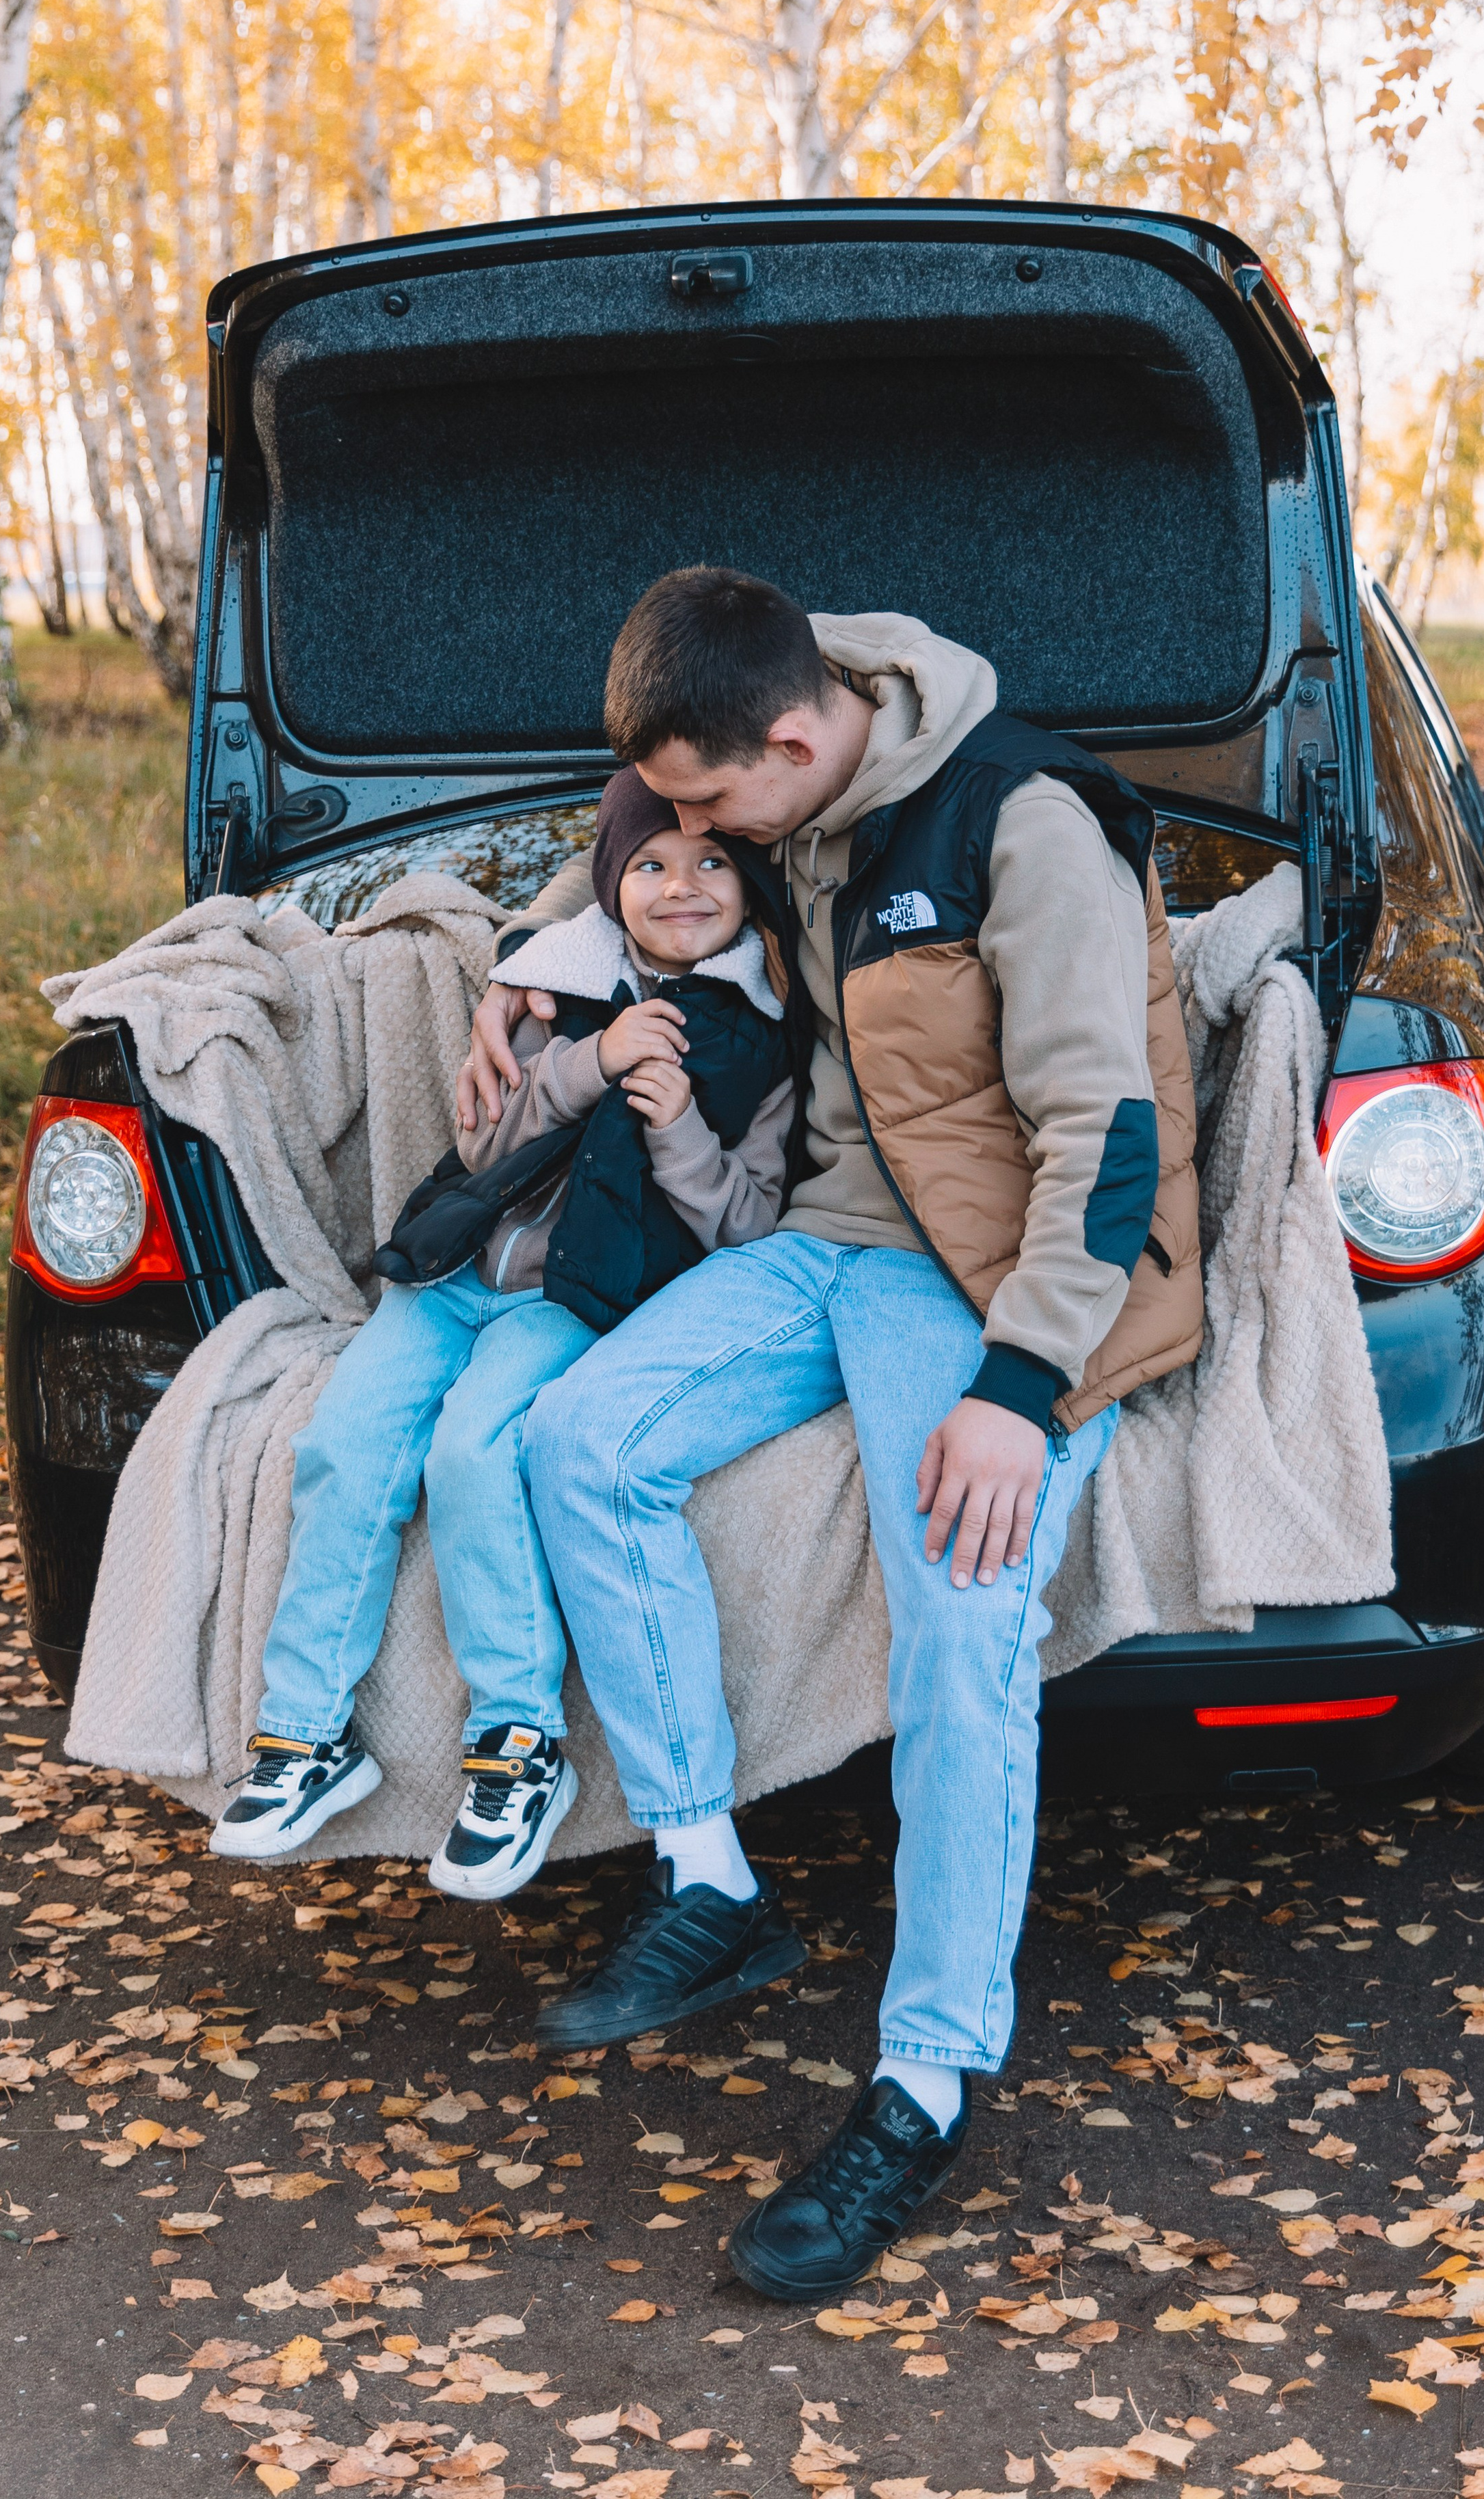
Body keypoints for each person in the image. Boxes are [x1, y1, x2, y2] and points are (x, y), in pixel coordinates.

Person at [457, 567, 1203, 2299]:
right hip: (821, 1240)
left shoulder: (1022, 828)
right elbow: (632, 850)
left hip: (1001, 1275)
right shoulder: (780, 738)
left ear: (794, 747)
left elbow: (1105, 1131)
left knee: (959, 1613)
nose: (689, 841)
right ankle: (711, 1879)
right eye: (675, 814)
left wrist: (1020, 1395)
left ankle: (925, 2081)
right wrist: (526, 965)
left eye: (713, 809)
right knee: (577, 1444)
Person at [210, 764, 796, 1904]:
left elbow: (747, 1222)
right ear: (610, 886)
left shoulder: (767, 1041)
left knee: (478, 1450)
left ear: (753, 882)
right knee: (349, 1439)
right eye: (652, 866)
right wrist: (591, 1060)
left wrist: (678, 1128)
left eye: (713, 862)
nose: (682, 887)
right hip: (449, 1274)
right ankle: (304, 1733)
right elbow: (484, 1147)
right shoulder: (549, 988)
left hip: (569, 1300)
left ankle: (519, 1746)